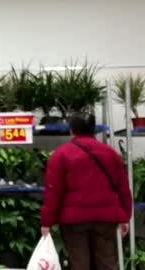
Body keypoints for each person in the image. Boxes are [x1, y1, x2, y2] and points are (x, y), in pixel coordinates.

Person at [40, 112, 132, 270]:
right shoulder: (110, 153)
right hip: (106, 219)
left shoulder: (61, 155)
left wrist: (46, 222)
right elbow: (123, 187)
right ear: (93, 129)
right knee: (107, 262)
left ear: (71, 130)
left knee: (79, 263)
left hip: (73, 221)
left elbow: (53, 191)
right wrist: (125, 216)